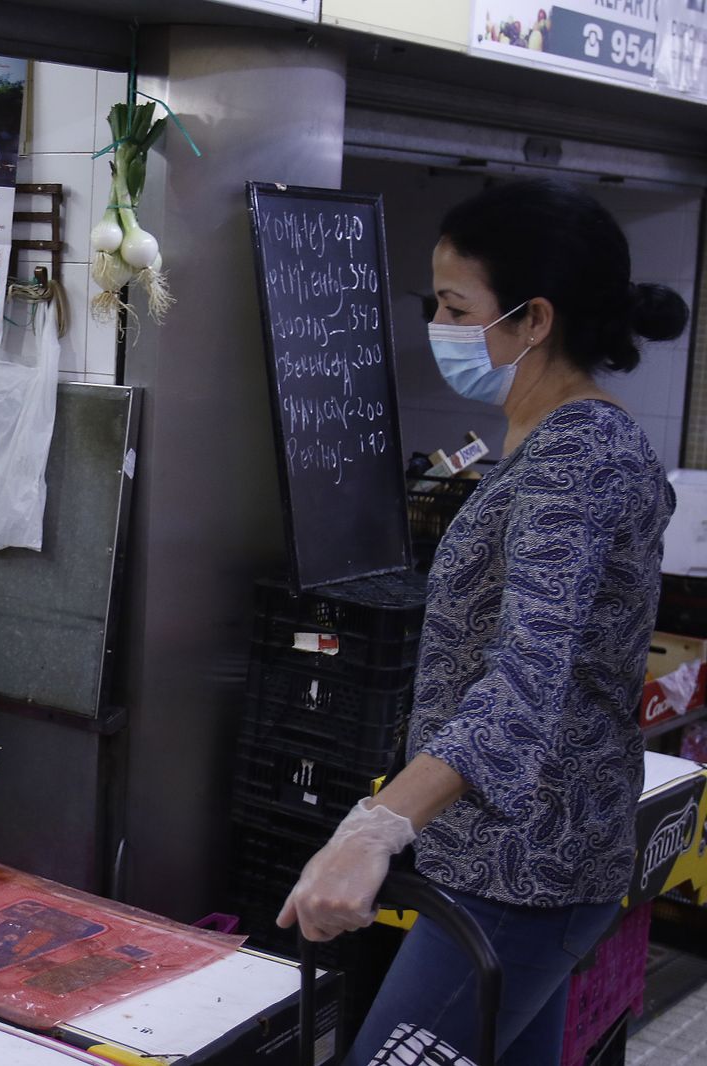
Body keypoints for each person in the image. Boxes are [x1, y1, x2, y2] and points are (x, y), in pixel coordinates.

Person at [276, 178, 689, 1065]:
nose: (439, 322)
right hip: (508, 855)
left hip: (529, 868)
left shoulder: (576, 455)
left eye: (457, 305)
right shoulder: (547, 441)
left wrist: (378, 826)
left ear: (533, 319)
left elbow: (526, 674)